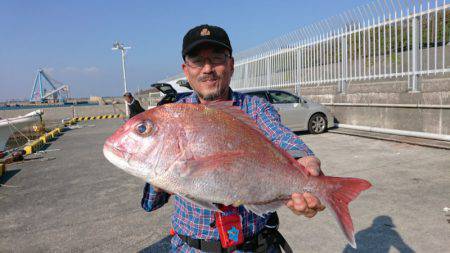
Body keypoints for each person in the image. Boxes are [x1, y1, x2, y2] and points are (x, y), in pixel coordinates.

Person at [142, 24, 325, 253]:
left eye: (217, 58)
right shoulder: (172, 116)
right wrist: (165, 169)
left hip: (254, 246)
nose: (207, 68)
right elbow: (151, 203)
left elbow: (281, 136)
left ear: (231, 64)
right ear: (186, 70)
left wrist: (304, 159)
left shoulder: (255, 108)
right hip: (191, 248)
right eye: (197, 61)